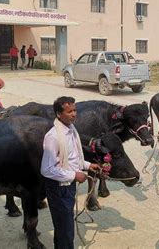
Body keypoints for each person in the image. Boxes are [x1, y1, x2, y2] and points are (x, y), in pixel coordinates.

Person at [41, 96, 101, 249]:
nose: (74, 114)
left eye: (75, 110)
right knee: (65, 229)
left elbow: (74, 157)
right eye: (69, 112)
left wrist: (88, 165)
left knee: (64, 227)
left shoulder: (71, 130)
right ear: (58, 114)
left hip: (68, 186)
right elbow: (46, 169)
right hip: (59, 188)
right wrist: (74, 175)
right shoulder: (53, 137)